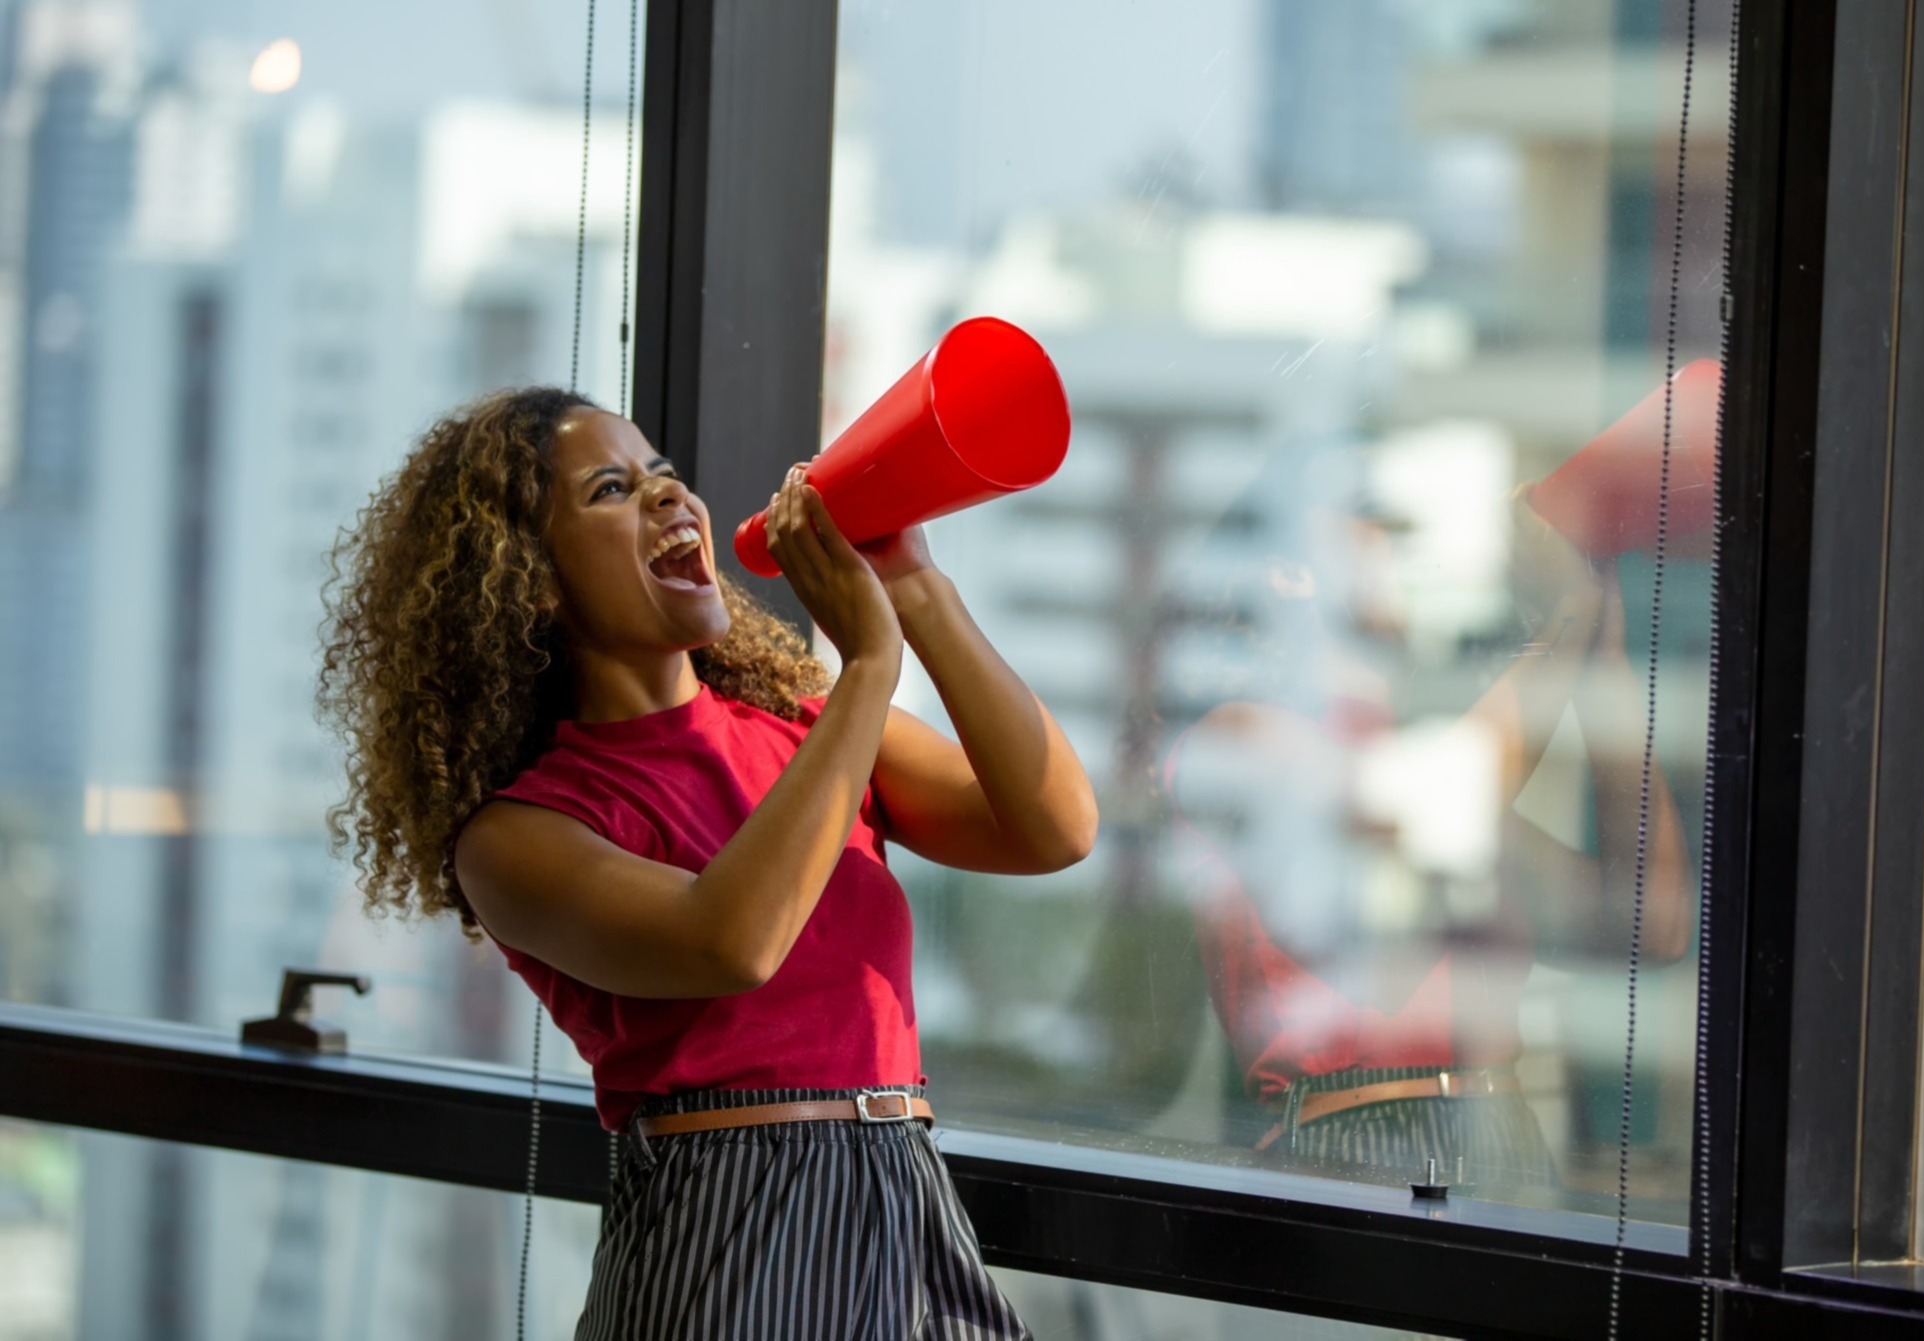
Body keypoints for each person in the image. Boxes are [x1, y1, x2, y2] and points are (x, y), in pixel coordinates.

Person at [317, 387, 1097, 1339]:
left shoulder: (806, 731)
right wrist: (863, 670)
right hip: (727, 1221)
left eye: (666, 477)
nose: (668, 500)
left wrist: (918, 594)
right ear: (532, 580)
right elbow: (730, 941)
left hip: (904, 1190)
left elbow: (1053, 825)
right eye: (613, 489)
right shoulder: (516, 835)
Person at [1166, 472, 1691, 1196]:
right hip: (1353, 1145)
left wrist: (1604, 665)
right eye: (1370, 522)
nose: (1399, 546)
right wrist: (1569, 615)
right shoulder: (1235, 737)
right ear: (1283, 571)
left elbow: (1650, 923)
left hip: (1498, 1136)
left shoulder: (1415, 777)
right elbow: (1440, 795)